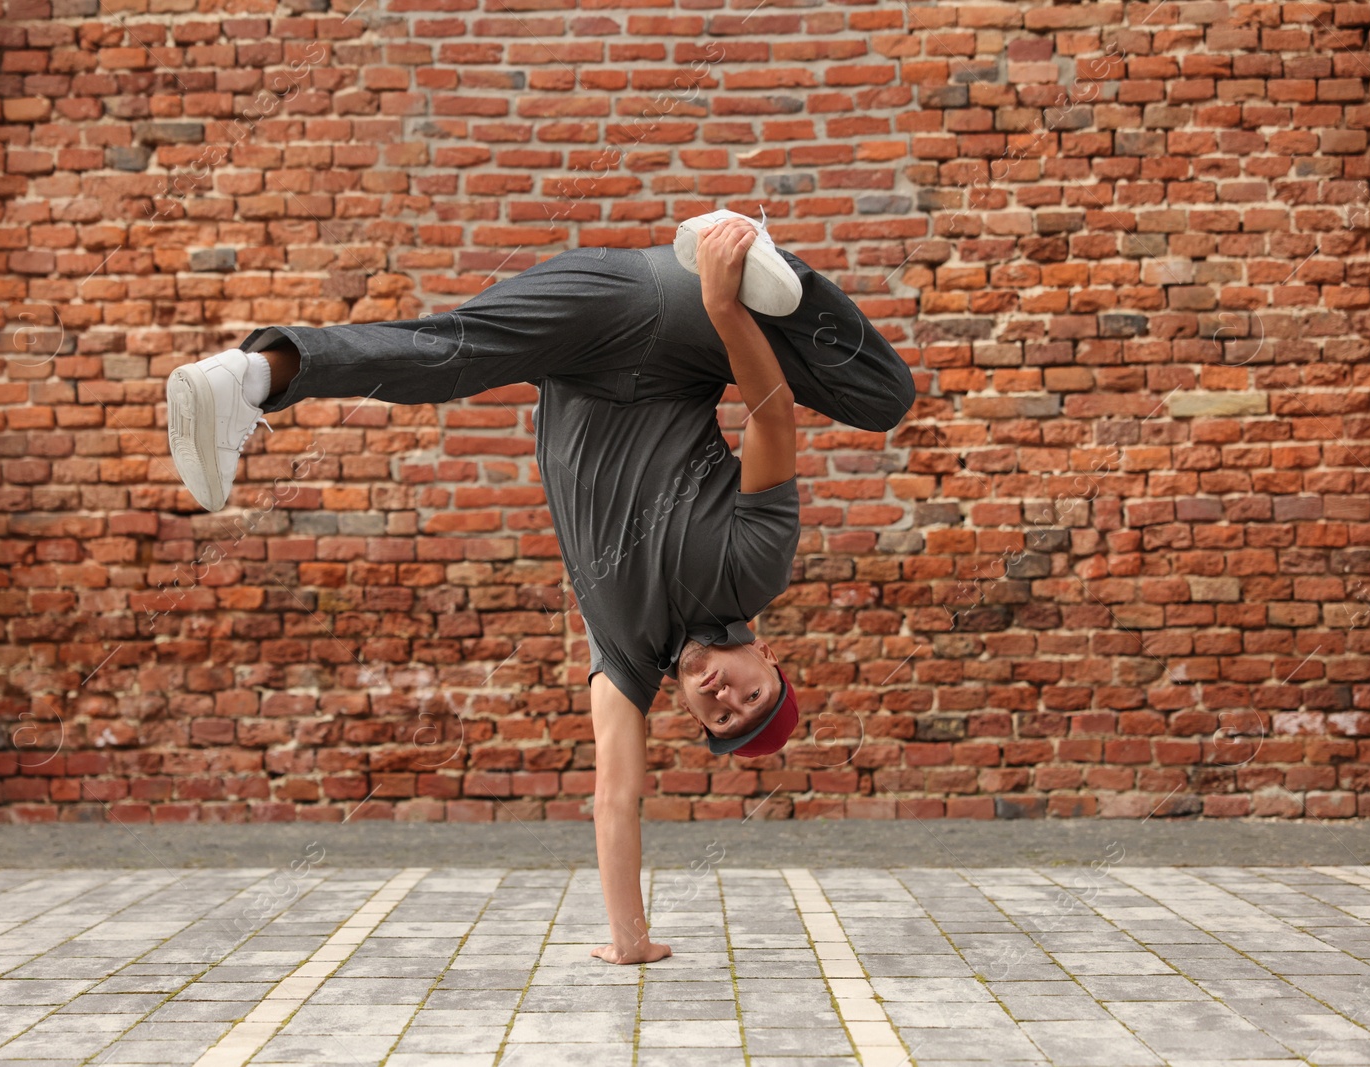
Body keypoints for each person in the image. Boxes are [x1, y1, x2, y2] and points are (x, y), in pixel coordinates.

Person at [165, 209, 916, 964]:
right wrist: (722, 304)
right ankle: (743, 249)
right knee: (884, 395)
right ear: (770, 660)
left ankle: (250, 376)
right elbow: (770, 415)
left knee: (447, 353)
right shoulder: (753, 571)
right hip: (672, 320)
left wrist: (631, 940)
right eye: (752, 695)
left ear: (691, 711)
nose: (725, 696)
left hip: (583, 327)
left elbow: (617, 799)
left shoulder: (626, 659)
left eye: (718, 716)